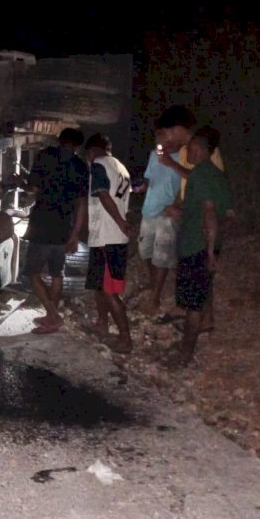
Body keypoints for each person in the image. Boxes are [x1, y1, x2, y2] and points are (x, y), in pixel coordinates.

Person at [165, 126, 232, 366]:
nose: (188, 152)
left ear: (201, 149)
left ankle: (185, 353)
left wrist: (209, 249)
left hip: (196, 247)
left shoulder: (200, 174)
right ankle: (193, 339)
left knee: (192, 304)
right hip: (206, 246)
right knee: (201, 294)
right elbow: (229, 214)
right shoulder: (218, 175)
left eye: (191, 148)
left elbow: (209, 212)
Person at [19, 127, 88, 334]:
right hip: (64, 228)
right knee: (57, 273)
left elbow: (33, 189)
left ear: (60, 140)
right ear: (78, 145)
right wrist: (75, 234)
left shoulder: (45, 156)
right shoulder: (80, 166)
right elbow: (81, 204)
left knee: (33, 273)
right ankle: (50, 316)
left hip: (42, 224)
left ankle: (54, 315)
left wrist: (18, 182)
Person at [83, 133, 134, 354]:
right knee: (100, 287)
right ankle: (102, 323)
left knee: (110, 291)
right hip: (107, 237)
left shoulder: (98, 165)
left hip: (108, 237)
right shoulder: (121, 168)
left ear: (91, 152)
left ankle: (125, 339)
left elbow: (103, 195)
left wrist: (121, 223)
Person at [136, 123, 182, 316]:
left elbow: (188, 184)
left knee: (161, 255)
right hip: (149, 209)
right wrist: (139, 188)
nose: (160, 141)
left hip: (166, 212)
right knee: (145, 251)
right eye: (157, 138)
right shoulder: (154, 155)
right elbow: (148, 178)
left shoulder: (182, 157)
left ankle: (155, 297)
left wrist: (177, 207)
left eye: (163, 136)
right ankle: (155, 284)